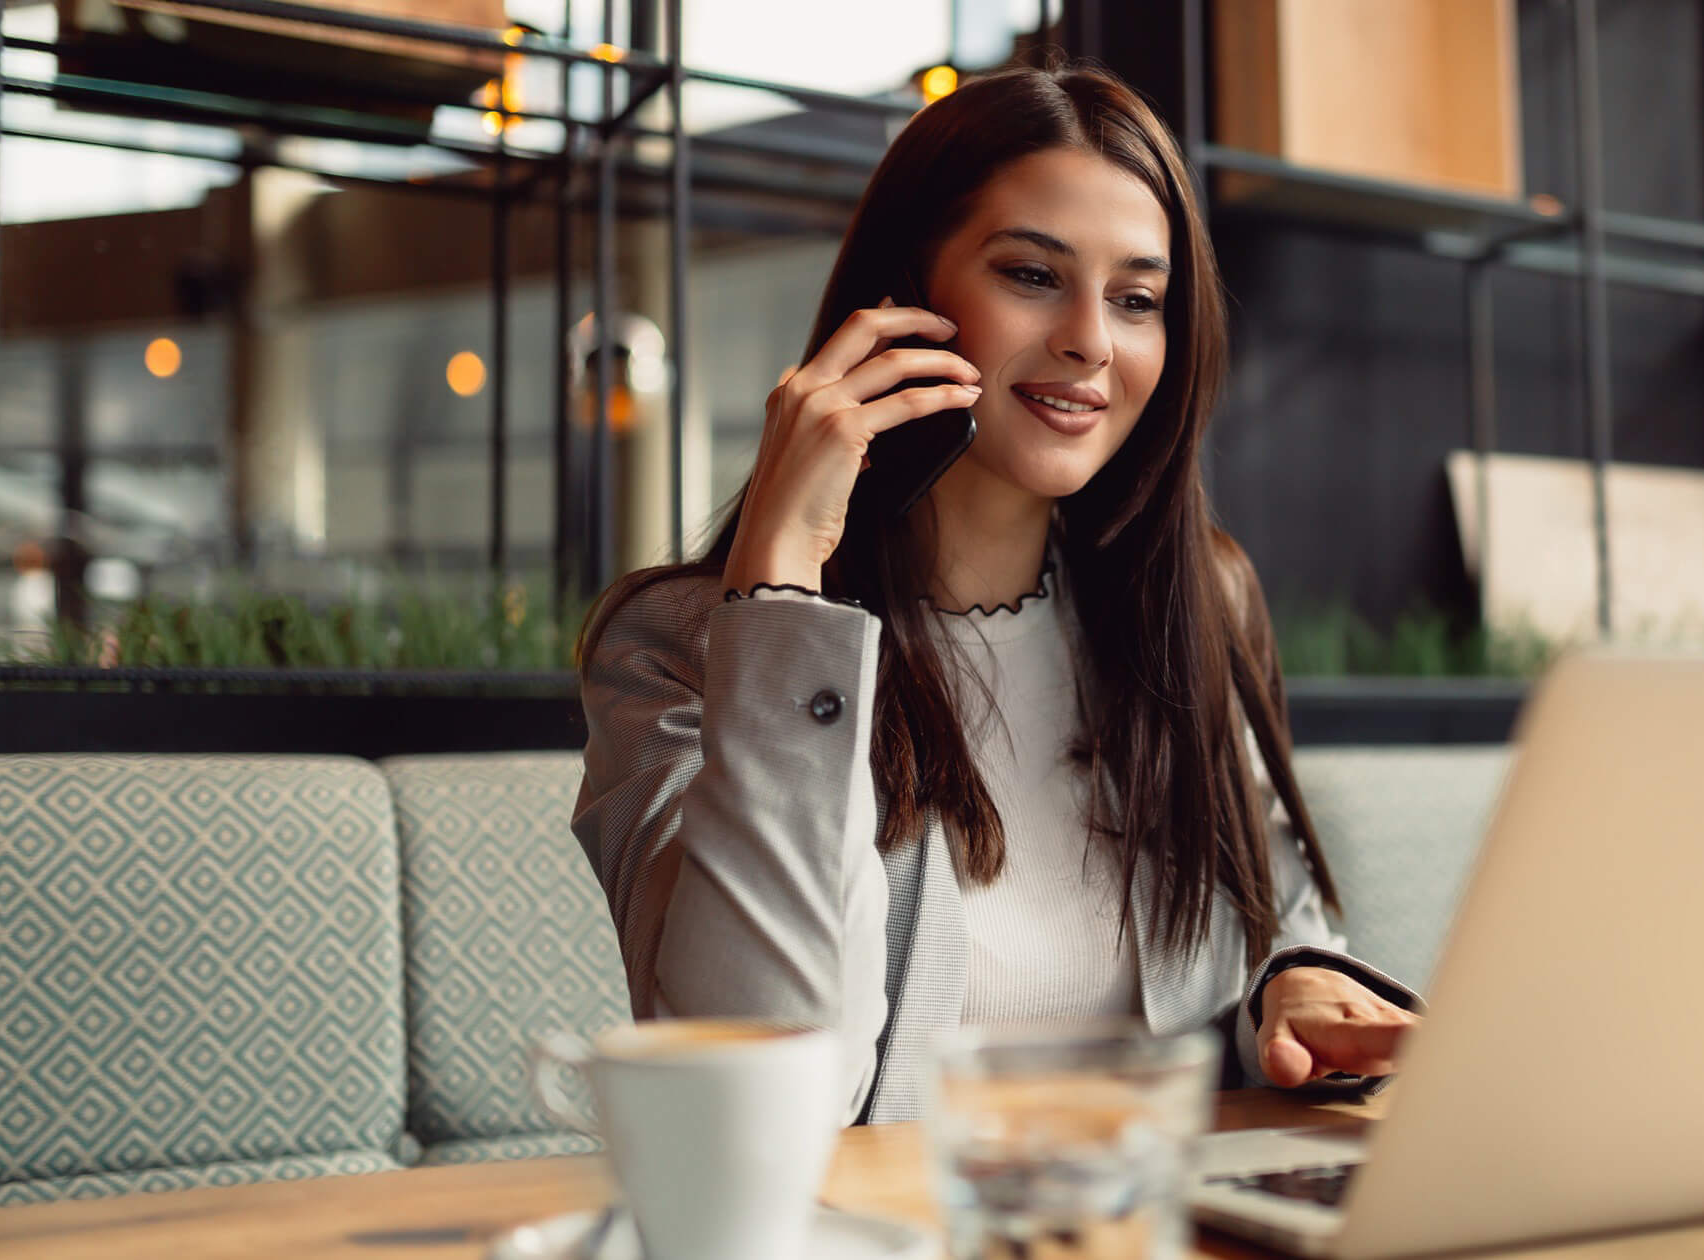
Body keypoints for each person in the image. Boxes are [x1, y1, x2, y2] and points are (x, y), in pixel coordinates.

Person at [570, 61, 1418, 1126]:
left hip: (1161, 1219)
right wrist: (780, 584)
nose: (1091, 342)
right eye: (1031, 274)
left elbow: (1276, 918)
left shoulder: (1199, 597)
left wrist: (1290, 990)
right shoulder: (678, 649)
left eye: (1138, 300)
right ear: (905, 295)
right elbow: (760, 1086)